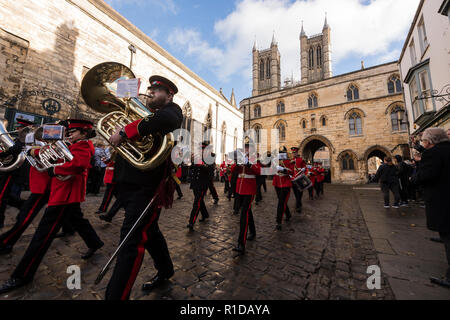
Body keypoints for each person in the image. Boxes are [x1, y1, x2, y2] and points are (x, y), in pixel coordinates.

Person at [0, 119, 104, 294]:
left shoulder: (84, 146)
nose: (69, 134)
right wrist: (35, 150)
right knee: (77, 219)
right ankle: (94, 242)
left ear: (85, 133)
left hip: (66, 195)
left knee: (42, 236)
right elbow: (52, 151)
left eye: (74, 132)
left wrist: (54, 170)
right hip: (61, 192)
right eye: (70, 132)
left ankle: (22, 275)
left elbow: (78, 164)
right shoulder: (72, 144)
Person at [105, 75, 182, 300]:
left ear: (169, 95)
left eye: (156, 90)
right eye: (150, 89)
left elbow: (166, 121)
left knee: (131, 241)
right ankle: (166, 269)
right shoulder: (144, 116)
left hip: (147, 187)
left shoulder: (173, 111)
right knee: (151, 232)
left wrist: (124, 132)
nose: (150, 92)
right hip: (128, 183)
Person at [411, 127, 450, 288]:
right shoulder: (444, 150)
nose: (423, 143)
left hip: (443, 199)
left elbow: (427, 174)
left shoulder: (432, 154)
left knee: (448, 235)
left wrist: (414, 177)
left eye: (424, 140)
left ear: (430, 141)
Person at [0, 118, 34, 229]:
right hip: (12, 169)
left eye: (19, 127)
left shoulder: (26, 139)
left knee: (3, 196)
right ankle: (24, 206)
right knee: (7, 195)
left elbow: (15, 150)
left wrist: (2, 155)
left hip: (16, 171)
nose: (17, 129)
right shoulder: (19, 138)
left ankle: (24, 208)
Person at [232, 145, 261, 255]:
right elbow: (234, 170)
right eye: (245, 148)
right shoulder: (240, 157)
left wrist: (248, 163)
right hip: (240, 188)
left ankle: (241, 243)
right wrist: (236, 164)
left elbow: (259, 171)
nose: (246, 150)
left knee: (244, 214)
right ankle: (252, 231)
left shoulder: (254, 158)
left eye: (248, 148)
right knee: (247, 211)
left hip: (249, 189)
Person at [187, 142, 211, 231]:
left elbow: (210, 171)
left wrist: (202, 165)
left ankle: (191, 222)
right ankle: (205, 214)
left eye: (202, 149)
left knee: (196, 203)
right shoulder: (197, 158)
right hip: (195, 183)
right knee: (199, 201)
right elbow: (192, 169)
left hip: (202, 184)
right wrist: (193, 162)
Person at [273, 148, 293, 230]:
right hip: (277, 183)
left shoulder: (289, 162)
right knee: (282, 201)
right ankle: (288, 214)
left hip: (286, 184)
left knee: (281, 202)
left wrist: (284, 170)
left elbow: (292, 172)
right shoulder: (275, 162)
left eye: (282, 154)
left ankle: (279, 221)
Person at [290, 147, 306, 212]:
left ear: (297, 153)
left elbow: (305, 167)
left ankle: (298, 204)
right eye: (293, 152)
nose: (294, 154)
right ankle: (298, 202)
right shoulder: (291, 160)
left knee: (300, 192)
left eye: (295, 152)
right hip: (293, 178)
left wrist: (303, 169)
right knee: (295, 192)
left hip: (300, 178)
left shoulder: (301, 159)